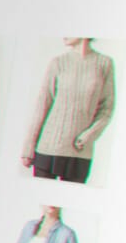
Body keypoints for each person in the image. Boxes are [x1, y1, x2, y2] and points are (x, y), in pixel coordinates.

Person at [18, 37, 116, 184]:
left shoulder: (104, 63)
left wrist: (88, 136)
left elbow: (106, 109)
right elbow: (42, 106)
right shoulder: (58, 62)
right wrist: (28, 148)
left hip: (80, 153)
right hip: (48, 149)